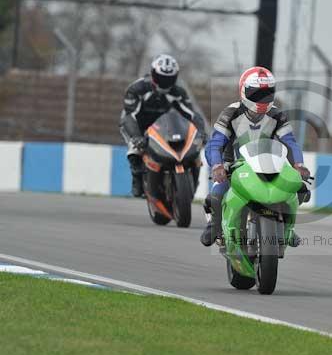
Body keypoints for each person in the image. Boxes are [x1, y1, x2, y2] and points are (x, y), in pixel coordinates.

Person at [201, 66, 310, 247]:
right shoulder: (230, 113)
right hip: (234, 165)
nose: (261, 99)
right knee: (217, 193)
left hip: (268, 163)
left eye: (266, 93)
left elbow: (290, 142)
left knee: (298, 188)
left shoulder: (277, 114)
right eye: (256, 93)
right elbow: (215, 144)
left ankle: (286, 229)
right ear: (243, 91)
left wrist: (299, 164)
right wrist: (217, 166)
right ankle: (215, 225)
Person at [119, 54, 206, 197]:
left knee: (190, 149)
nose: (165, 82)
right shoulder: (137, 89)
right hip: (135, 124)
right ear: (153, 74)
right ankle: (137, 177)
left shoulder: (177, 92)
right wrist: (136, 136)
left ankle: (190, 181)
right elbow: (129, 116)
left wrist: (201, 132)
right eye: (161, 78)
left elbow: (192, 114)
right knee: (135, 149)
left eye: (169, 79)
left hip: (162, 126)